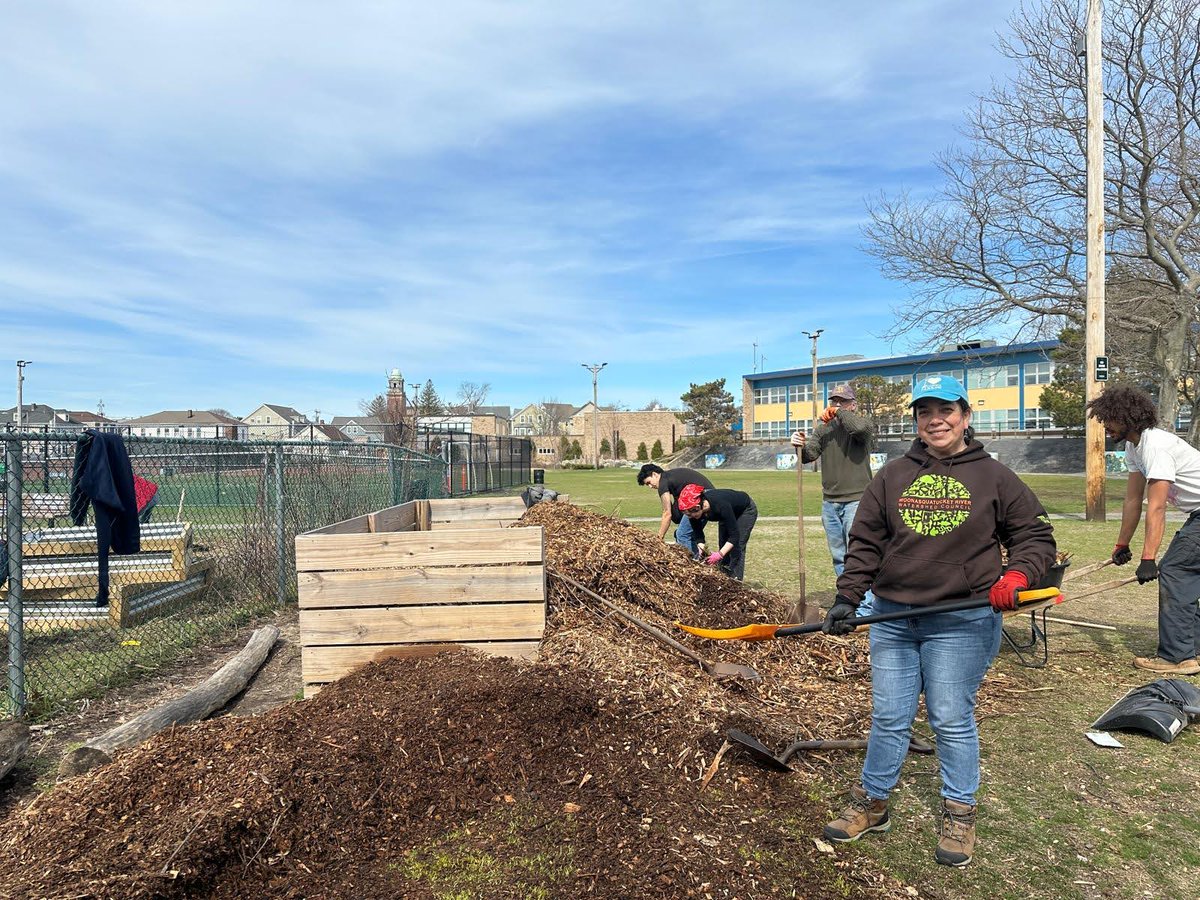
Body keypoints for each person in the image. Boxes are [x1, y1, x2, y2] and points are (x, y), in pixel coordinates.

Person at [820, 374, 1056, 868]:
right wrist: (848, 598)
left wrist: (1016, 575)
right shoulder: (892, 475)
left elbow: (1034, 537)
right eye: (925, 412)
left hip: (961, 618)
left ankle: (959, 810)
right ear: (917, 421)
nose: (936, 420)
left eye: (946, 410)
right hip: (891, 615)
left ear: (966, 417)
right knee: (889, 716)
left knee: (949, 716)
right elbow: (865, 542)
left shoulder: (994, 476)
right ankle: (874, 802)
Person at [1086, 385, 1200, 676]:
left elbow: (1157, 507)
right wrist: (1121, 544)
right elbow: (1133, 499)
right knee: (1184, 575)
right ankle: (1191, 649)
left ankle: (1178, 657)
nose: (1105, 427)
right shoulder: (1133, 447)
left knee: (1176, 571)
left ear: (1126, 418)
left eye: (1109, 419)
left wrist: (1148, 558)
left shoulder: (1156, 445)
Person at [790, 383, 876, 614]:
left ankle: (867, 607)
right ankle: (850, 600)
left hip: (857, 499)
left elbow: (857, 428)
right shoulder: (823, 429)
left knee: (858, 554)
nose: (836, 405)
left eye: (842, 401)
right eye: (833, 401)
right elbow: (809, 456)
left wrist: (839, 413)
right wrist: (798, 445)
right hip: (830, 502)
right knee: (839, 556)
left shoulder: (863, 424)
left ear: (853, 405)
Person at [677, 483, 758, 580]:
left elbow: (734, 536)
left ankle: (735, 583)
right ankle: (724, 578)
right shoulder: (693, 512)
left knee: (737, 546)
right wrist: (701, 548)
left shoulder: (721, 505)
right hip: (726, 514)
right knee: (723, 543)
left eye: (692, 513)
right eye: (688, 515)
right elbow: (698, 533)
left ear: (699, 506)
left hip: (744, 511)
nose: (691, 517)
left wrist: (719, 555)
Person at [636, 463, 714, 556]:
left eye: (649, 482)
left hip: (702, 497)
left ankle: (692, 564)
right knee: (681, 533)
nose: (650, 486)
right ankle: (700, 557)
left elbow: (667, 513)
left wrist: (659, 538)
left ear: (655, 474)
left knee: (682, 535)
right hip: (709, 495)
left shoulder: (663, 482)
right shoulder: (670, 477)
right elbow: (675, 515)